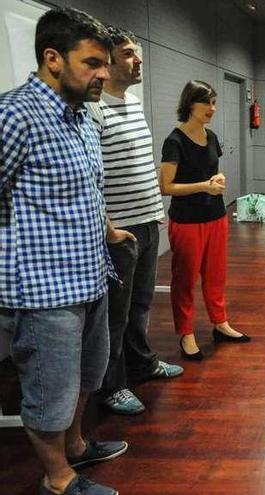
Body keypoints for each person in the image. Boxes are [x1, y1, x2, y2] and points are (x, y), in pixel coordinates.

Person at [0, 8, 129, 495]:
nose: (104, 74)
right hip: (43, 289)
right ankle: (57, 479)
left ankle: (76, 446)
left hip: (90, 275)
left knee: (87, 375)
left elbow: (86, 192)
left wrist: (110, 231)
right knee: (49, 394)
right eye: (93, 62)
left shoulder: (81, 116)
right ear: (52, 58)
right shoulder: (14, 115)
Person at [86, 25, 183, 416]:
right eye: (128, 53)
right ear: (107, 62)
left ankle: (141, 363)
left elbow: (141, 165)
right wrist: (109, 226)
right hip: (119, 230)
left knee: (141, 305)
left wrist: (155, 212)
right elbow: (91, 175)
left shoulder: (133, 102)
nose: (138, 60)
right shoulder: (94, 110)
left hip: (145, 222)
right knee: (116, 313)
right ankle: (112, 386)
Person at [159, 80, 250, 361]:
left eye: (214, 103)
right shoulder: (174, 141)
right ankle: (186, 333)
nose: (212, 108)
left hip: (216, 216)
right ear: (190, 104)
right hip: (186, 222)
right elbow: (166, 186)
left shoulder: (211, 137)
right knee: (185, 279)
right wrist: (203, 186)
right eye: (207, 103)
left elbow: (214, 171)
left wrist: (218, 180)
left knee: (215, 276)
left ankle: (219, 323)